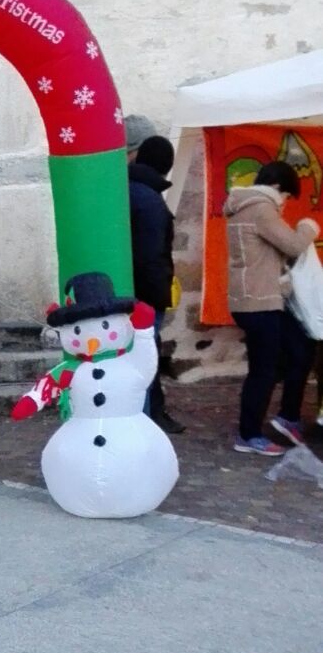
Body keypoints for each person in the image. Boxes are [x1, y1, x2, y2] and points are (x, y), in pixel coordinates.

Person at [224, 161, 318, 455]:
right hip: (259, 301)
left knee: (299, 349)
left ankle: (287, 416)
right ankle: (249, 435)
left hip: (259, 299)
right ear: (277, 187)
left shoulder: (245, 206)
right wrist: (308, 227)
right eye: (286, 195)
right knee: (263, 370)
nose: (285, 202)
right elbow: (293, 245)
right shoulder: (261, 208)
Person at [128, 134, 184, 434]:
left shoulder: (130, 190)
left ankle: (148, 419)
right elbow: (150, 255)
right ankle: (145, 427)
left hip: (134, 289)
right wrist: (155, 296)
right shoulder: (149, 200)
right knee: (144, 360)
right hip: (146, 294)